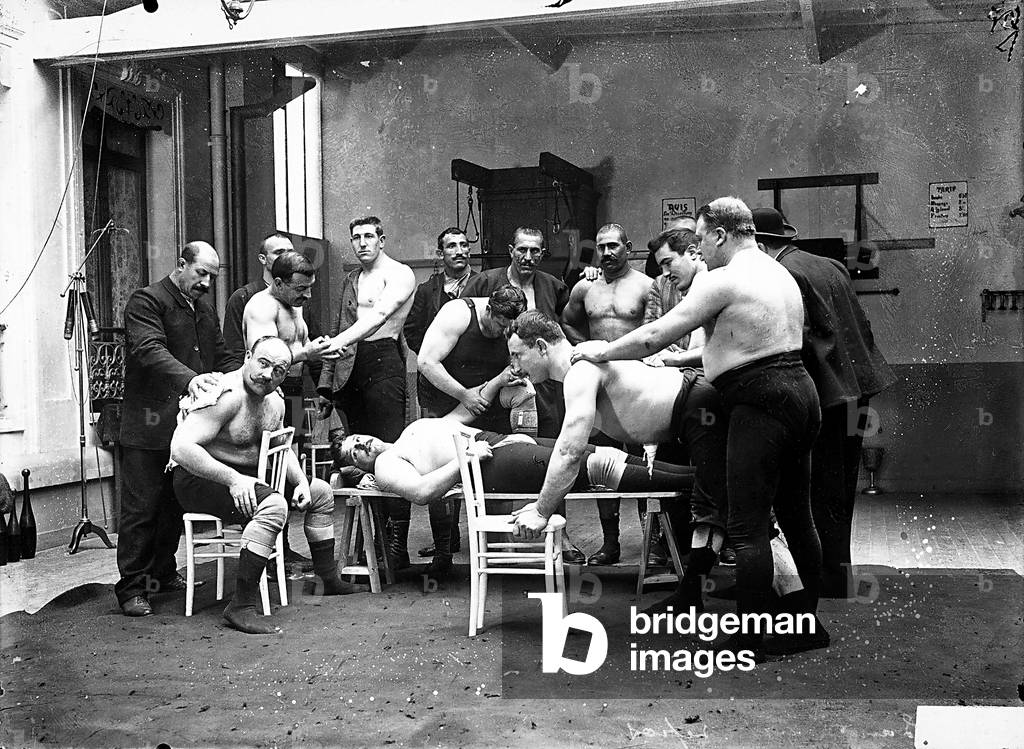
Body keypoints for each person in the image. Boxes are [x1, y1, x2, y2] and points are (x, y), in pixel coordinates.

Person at [570, 197, 828, 656]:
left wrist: (600, 352)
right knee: (798, 517)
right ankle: (806, 625)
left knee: (746, 526)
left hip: (760, 400)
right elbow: (741, 340)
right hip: (801, 394)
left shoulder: (724, 279)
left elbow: (655, 334)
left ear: (721, 235)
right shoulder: (778, 272)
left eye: (704, 238)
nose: (700, 249)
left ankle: (751, 638)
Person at [502, 310, 729, 614]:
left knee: (720, 506)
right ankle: (694, 594)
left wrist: (542, 511)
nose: (514, 367)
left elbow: (570, 453)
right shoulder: (584, 365)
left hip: (698, 404)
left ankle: (762, 600)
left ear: (542, 347)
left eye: (517, 355)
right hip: (688, 409)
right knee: (721, 500)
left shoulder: (580, 373)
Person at [170, 336, 362, 635]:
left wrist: (299, 481)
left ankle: (328, 579)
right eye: (263, 363)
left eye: (279, 370)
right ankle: (241, 606)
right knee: (274, 505)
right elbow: (180, 448)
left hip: (248, 476)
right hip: (199, 477)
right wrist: (233, 480)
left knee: (321, 493)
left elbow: (281, 448)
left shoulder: (275, 400)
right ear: (247, 356)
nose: (268, 375)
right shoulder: (226, 395)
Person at [752, 207, 895, 598]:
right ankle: (835, 573)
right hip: (857, 389)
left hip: (825, 394)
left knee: (813, 489)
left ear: (762, 245)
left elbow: (798, 339)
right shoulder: (830, 265)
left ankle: (819, 579)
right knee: (841, 486)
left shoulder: (780, 274)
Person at [116, 241, 229, 618]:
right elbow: (148, 349)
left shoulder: (204, 308)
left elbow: (221, 353)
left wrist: (253, 374)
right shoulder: (145, 301)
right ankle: (132, 588)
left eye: (213, 277)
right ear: (181, 264)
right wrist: (191, 379)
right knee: (141, 508)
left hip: (186, 430)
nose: (207, 283)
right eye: (201, 274)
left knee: (171, 505)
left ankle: (162, 574)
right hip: (148, 427)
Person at [317, 216, 416, 567]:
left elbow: (378, 316)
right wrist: (327, 384)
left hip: (383, 361)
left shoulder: (401, 274)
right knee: (360, 456)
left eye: (368, 236)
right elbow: (338, 326)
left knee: (389, 451)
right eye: (356, 237)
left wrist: (336, 343)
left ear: (382, 239)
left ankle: (396, 544)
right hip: (351, 368)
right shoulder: (351, 279)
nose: (362, 243)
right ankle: (375, 539)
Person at [560, 223, 660, 565]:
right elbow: (567, 321)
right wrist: (584, 345)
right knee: (604, 463)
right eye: (601, 246)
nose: (607, 252)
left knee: (647, 463)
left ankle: (654, 544)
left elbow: (656, 332)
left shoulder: (647, 286)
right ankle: (611, 543)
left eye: (614, 246)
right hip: (603, 387)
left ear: (628, 247)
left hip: (639, 384)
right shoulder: (585, 288)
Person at [403, 227, 475, 354]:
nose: (459, 251)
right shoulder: (426, 290)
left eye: (463, 245)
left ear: (469, 251)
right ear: (440, 253)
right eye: (452, 246)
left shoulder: (485, 284)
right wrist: (432, 355)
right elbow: (412, 331)